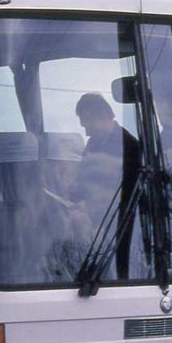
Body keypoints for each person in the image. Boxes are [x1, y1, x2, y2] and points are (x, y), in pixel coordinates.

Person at [70, 92, 142, 279]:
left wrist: (90, 206)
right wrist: (75, 195)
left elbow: (126, 193)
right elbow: (84, 178)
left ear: (104, 117)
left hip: (118, 227)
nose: (86, 132)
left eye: (88, 124)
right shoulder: (93, 143)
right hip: (96, 223)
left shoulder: (130, 146)